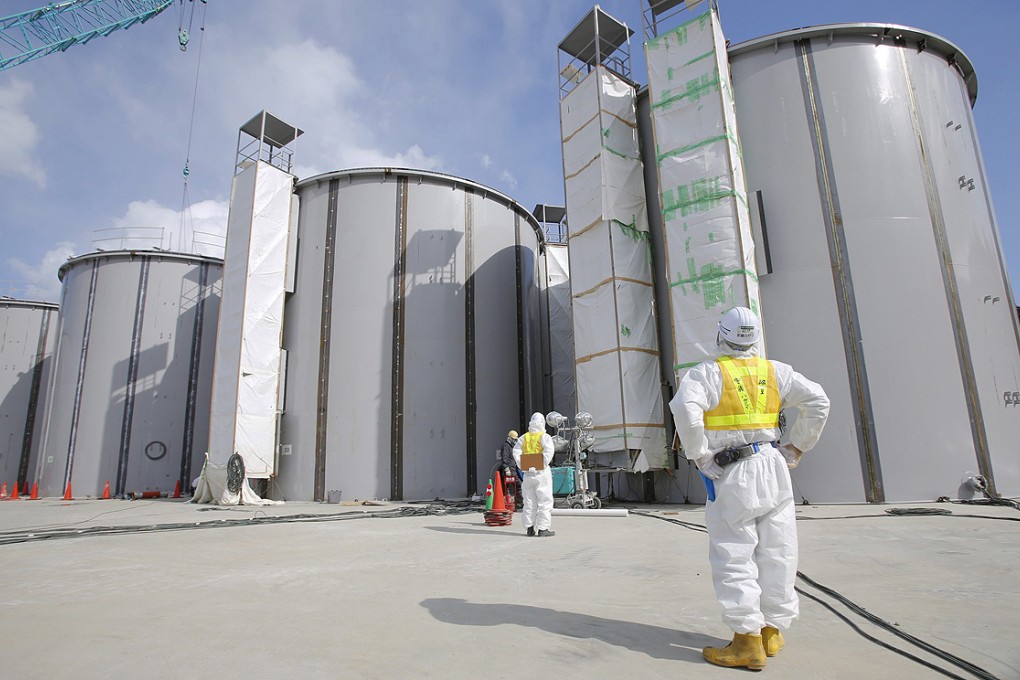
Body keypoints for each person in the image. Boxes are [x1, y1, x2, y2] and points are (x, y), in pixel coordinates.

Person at [669, 306, 829, 671]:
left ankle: (746, 641)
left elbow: (685, 409)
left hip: (734, 470)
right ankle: (772, 631)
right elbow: (819, 400)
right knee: (779, 550)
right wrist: (798, 445)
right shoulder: (776, 372)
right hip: (773, 465)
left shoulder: (708, 374)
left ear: (720, 336)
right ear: (755, 338)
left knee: (734, 552)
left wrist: (699, 455)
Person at [513, 412, 555, 537]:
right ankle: (543, 529)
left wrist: (524, 466)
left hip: (527, 474)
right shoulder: (545, 437)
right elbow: (548, 452)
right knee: (544, 501)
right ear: (543, 423)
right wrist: (539, 465)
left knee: (529, 501)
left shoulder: (523, 438)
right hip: (541, 474)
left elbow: (516, 452)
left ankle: (529, 528)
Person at [495, 430, 522, 507]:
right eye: (514, 439)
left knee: (517, 485)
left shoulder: (511, 447)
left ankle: (517, 501)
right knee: (517, 485)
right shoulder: (506, 446)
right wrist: (507, 469)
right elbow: (505, 459)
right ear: (510, 439)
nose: (515, 441)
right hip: (509, 470)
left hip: (514, 469)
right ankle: (518, 501)